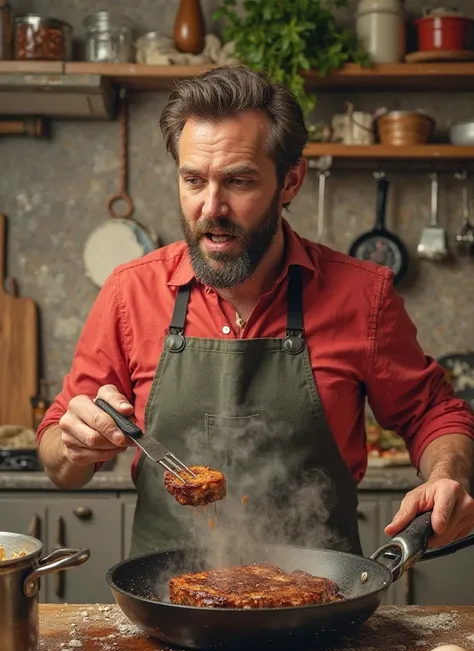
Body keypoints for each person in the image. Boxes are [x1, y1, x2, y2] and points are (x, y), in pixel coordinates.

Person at [37, 65, 474, 559]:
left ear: (290, 181)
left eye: (239, 181)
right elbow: (57, 457)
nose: (211, 207)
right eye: (193, 180)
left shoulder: (362, 295)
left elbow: (434, 414)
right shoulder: (128, 292)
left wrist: (446, 475)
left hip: (319, 603)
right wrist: (73, 446)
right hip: (165, 602)